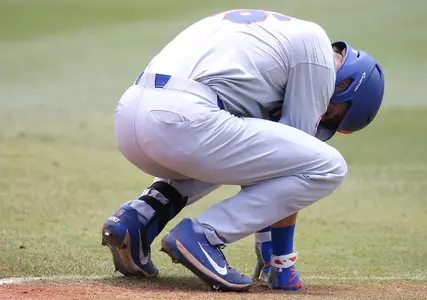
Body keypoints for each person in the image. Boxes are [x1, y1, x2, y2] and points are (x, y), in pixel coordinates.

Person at [101, 9, 385, 292]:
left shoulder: (271, 35)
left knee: (235, 144)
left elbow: (263, 162)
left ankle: (139, 219)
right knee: (329, 166)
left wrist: (266, 249)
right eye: (334, 113)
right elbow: (286, 165)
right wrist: (279, 260)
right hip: (184, 120)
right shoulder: (319, 52)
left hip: (131, 116)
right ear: (347, 84)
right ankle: (203, 236)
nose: (325, 116)